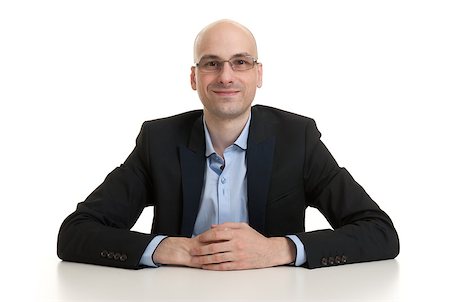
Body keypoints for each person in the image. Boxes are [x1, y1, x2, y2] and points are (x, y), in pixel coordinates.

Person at [57, 19, 399, 270]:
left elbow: (380, 231)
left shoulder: (298, 139)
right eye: (211, 63)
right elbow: (75, 233)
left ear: (258, 74)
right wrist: (170, 249)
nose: (225, 75)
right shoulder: (158, 141)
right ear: (194, 78)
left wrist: (281, 250)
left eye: (240, 62)